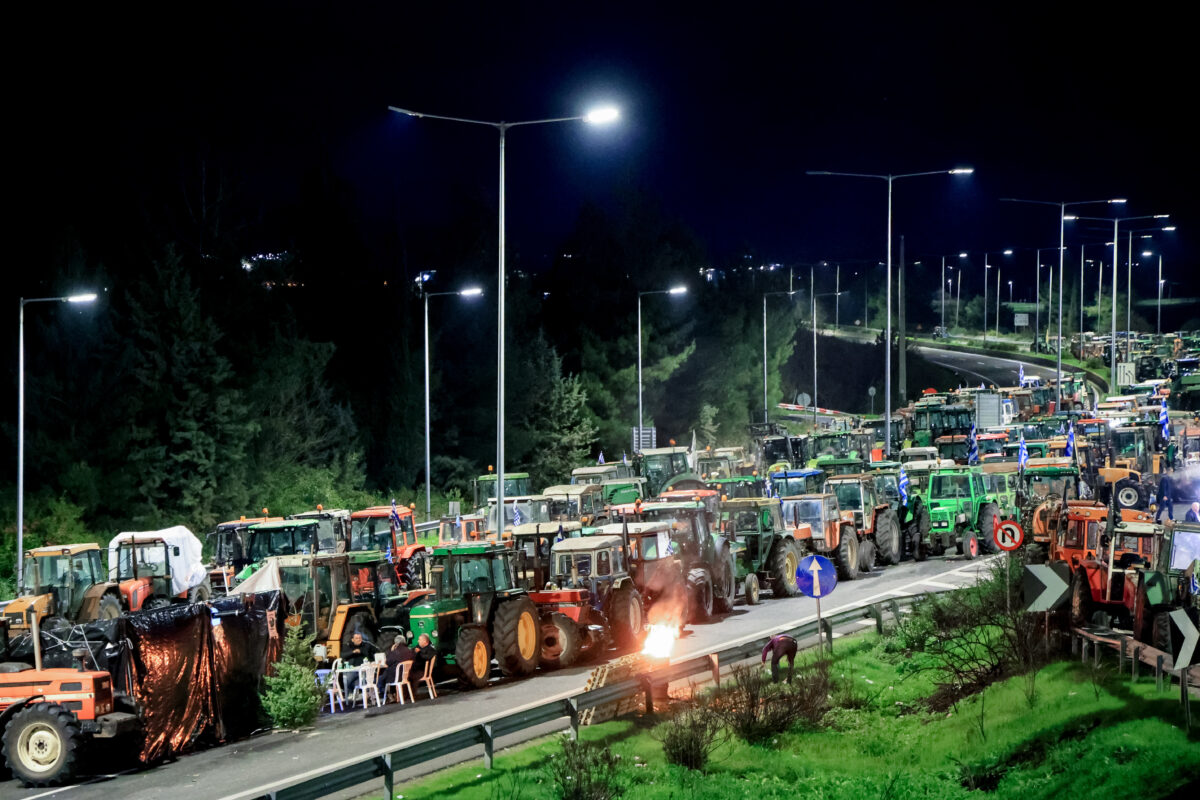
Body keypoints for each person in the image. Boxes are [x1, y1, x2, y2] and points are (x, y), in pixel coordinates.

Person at [376, 634, 414, 699]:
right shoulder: (409, 650)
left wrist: (392, 651)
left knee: (379, 679)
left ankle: (387, 695)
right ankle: (392, 694)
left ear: (396, 643)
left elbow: (388, 662)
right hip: (407, 675)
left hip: (396, 676)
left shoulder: (395, 652)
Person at [341, 632, 377, 696]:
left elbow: (377, 651)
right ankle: (349, 694)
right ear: (352, 640)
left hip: (365, 669)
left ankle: (369, 694)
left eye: (360, 638)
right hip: (353, 669)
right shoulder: (348, 646)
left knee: (370, 678)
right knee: (347, 680)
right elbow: (342, 655)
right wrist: (353, 652)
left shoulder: (367, 645)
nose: (359, 639)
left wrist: (374, 660)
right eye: (357, 638)